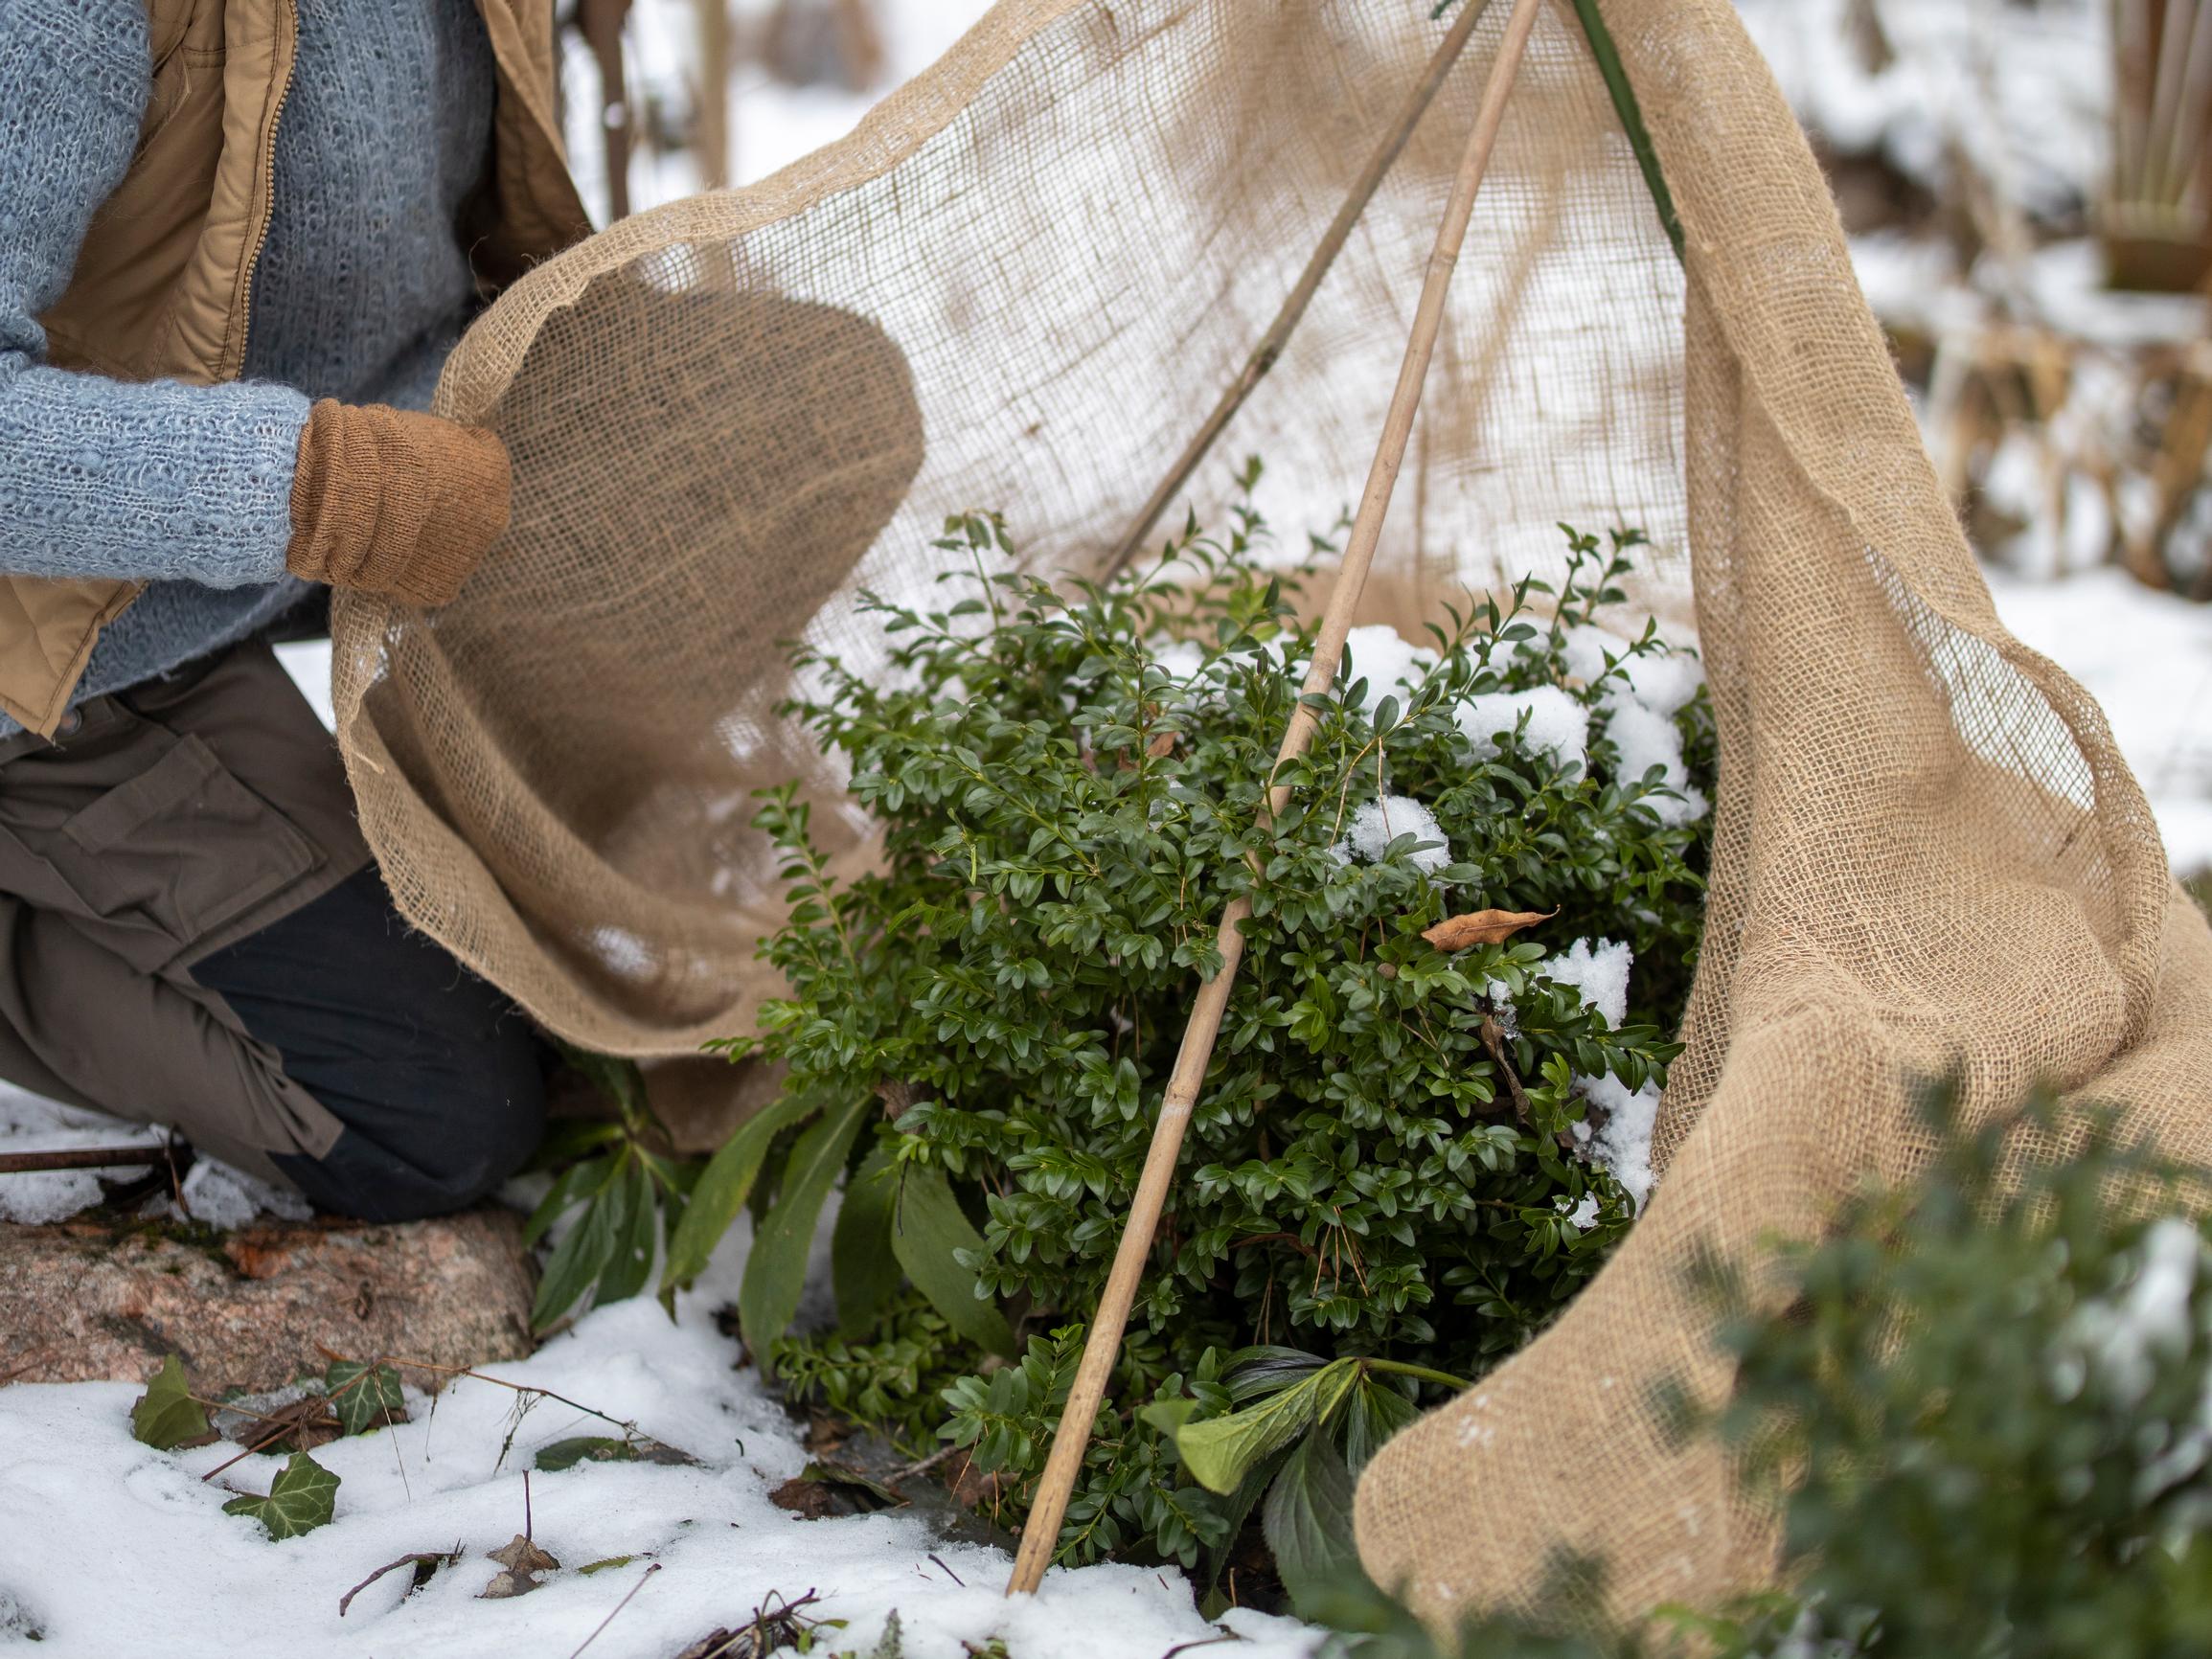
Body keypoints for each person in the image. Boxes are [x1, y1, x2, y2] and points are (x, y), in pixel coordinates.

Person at [0, 0, 593, 1221]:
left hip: (240, 557)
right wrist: (325, 488)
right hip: (54, 637)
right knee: (435, 1109)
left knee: (800, 412)